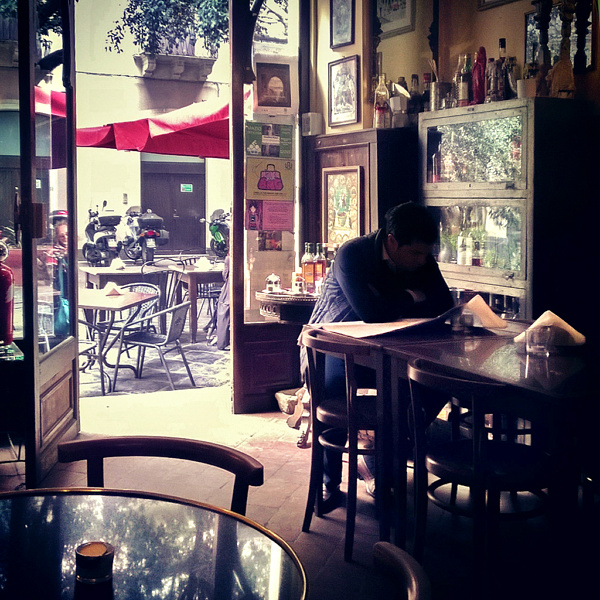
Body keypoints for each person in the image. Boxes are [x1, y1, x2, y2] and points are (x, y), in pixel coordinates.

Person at [303, 202, 454, 512]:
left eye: (426, 255)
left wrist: (391, 301)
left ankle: (384, 462)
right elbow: (370, 312)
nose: (422, 261)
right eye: (416, 254)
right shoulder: (353, 254)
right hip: (337, 343)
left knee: (431, 388)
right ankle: (329, 483)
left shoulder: (421, 258)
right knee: (334, 395)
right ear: (392, 241)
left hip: (389, 349)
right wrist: (413, 295)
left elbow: (443, 303)